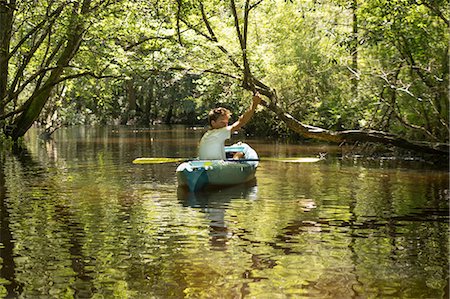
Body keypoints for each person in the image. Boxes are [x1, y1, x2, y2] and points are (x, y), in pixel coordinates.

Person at [198, 92, 262, 160]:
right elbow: (241, 122)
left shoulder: (208, 134)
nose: (225, 125)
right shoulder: (220, 132)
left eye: (227, 122)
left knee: (237, 148)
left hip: (207, 164)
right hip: (216, 166)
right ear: (213, 123)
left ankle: (236, 150)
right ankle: (236, 157)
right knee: (241, 151)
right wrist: (254, 105)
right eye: (222, 122)